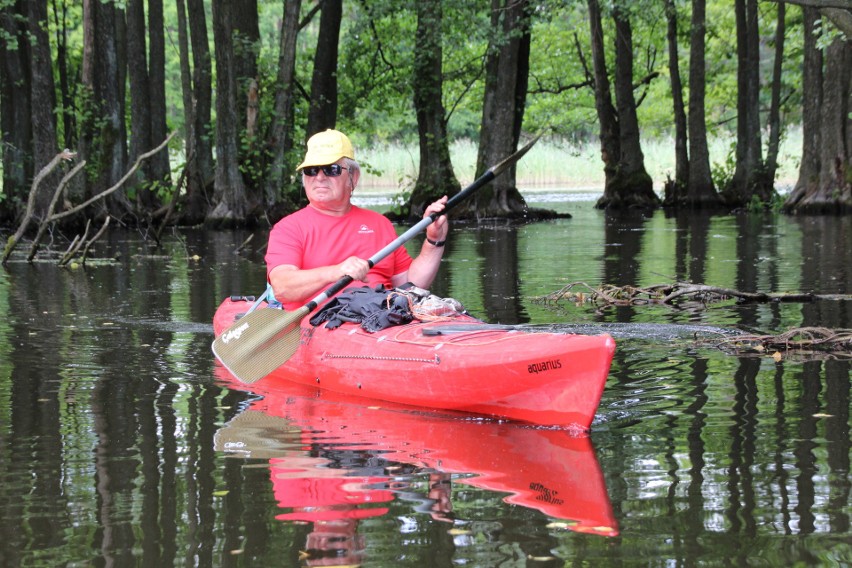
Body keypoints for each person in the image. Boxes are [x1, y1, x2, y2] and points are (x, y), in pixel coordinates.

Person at [266, 129, 449, 311]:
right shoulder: (288, 228)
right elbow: (282, 287)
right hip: (322, 323)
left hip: (382, 318)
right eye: (311, 170)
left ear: (353, 177)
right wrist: (336, 271)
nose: (320, 177)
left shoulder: (380, 224)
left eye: (332, 169)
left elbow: (412, 285)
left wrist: (434, 241)